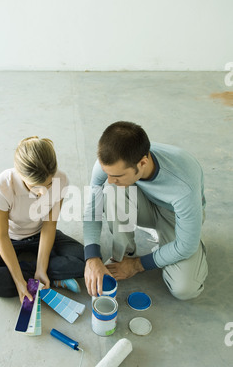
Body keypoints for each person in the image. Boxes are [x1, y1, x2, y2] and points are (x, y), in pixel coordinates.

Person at [84, 121, 208, 300]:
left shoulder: (184, 184)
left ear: (142, 162)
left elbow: (185, 247)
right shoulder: (112, 162)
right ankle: (124, 256)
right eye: (107, 172)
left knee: (185, 289)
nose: (109, 179)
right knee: (110, 190)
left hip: (174, 217)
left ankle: (193, 240)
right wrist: (92, 258)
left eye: (117, 176)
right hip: (144, 202)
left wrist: (138, 265)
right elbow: (92, 209)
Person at [0, 136, 85, 304]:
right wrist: (19, 280)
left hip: (40, 234)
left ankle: (28, 275)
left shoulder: (60, 180)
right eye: (34, 187)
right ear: (20, 174)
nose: (42, 194)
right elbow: (2, 236)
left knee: (88, 260)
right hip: (8, 238)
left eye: (47, 185)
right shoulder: (3, 185)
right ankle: (43, 277)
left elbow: (49, 224)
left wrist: (41, 267)